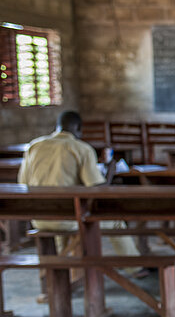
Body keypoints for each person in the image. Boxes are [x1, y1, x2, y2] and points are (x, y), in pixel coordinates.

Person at [18, 110, 147, 278]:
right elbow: (98, 189)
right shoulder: (81, 148)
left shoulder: (34, 146)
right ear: (78, 128)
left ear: (58, 127)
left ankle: (64, 274)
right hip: (70, 219)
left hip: (40, 219)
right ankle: (134, 268)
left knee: (60, 226)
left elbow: (22, 182)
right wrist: (110, 172)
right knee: (114, 221)